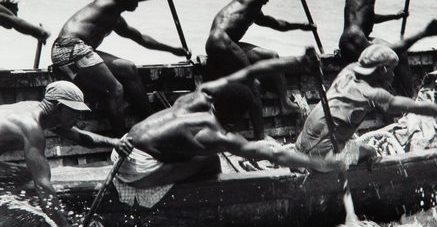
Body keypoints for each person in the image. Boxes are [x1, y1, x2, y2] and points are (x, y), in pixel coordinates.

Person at [108, 49, 342, 206]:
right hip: (135, 168)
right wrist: (320, 163)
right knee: (210, 162)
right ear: (236, 118)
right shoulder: (215, 135)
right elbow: (273, 153)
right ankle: (195, 201)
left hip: (122, 146)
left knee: (190, 151)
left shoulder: (200, 96)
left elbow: (250, 71)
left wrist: (300, 61)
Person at [295, 41, 437, 170]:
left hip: (300, 148)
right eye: (392, 71)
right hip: (323, 161)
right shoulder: (372, 94)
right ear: (382, 70)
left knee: (351, 142)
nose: (393, 76)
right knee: (371, 150)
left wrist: (423, 33)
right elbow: (416, 107)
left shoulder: (349, 70)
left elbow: (390, 50)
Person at [51, 0, 187, 136]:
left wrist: (173, 50)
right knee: (116, 89)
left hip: (79, 50)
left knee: (129, 68)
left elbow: (142, 39)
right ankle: (120, 141)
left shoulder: (115, 18)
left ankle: (150, 121)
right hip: (68, 48)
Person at [0, 81, 133, 227]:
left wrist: (114, 142)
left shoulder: (42, 110)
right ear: (58, 107)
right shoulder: (31, 127)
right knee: (31, 181)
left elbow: (81, 137)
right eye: (75, 112)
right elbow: (43, 185)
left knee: (25, 178)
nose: (78, 118)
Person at [205, 0, 315, 139]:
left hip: (230, 43)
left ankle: (285, 103)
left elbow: (278, 24)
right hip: (220, 41)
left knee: (272, 56)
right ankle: (260, 137)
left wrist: (302, 25)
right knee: (254, 84)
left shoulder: (253, 8)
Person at [338, 0, 423, 96]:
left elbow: (370, 18)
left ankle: (393, 99)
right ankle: (411, 99)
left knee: (387, 54)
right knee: (400, 54)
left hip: (348, 41)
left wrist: (395, 16)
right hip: (356, 39)